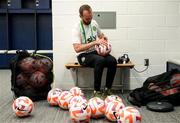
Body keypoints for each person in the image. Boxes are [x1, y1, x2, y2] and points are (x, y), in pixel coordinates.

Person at [72, 4, 117, 98]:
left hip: (95, 52)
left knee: (112, 61)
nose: (89, 20)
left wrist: (104, 39)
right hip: (83, 55)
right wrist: (94, 42)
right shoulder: (77, 28)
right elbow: (77, 49)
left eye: (90, 17)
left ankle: (107, 89)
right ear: (81, 16)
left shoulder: (94, 23)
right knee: (100, 60)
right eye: (87, 19)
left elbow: (101, 36)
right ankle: (97, 90)